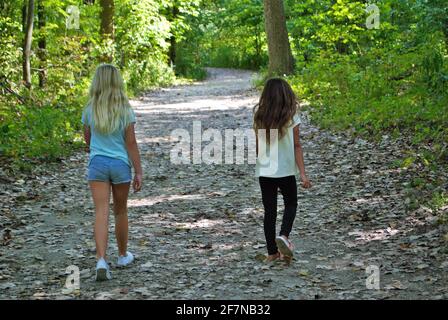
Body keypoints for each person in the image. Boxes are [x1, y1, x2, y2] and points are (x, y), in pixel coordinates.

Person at [82, 64, 142, 281]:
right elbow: (131, 142)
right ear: (118, 82)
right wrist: (138, 171)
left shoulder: (90, 108)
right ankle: (123, 255)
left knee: (101, 211)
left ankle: (100, 260)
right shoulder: (125, 109)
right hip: (119, 165)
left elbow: (88, 139)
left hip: (97, 163)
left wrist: (98, 149)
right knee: (120, 211)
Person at [253, 78, 311, 263]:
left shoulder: (260, 116)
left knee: (269, 211)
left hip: (266, 170)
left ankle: (272, 252)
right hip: (286, 169)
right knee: (291, 203)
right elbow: (296, 145)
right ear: (287, 95)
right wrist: (302, 174)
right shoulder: (292, 116)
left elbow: (258, 147)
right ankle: (284, 235)